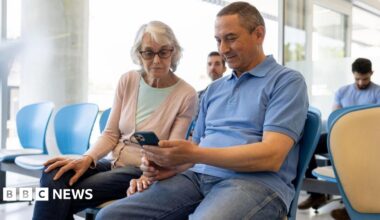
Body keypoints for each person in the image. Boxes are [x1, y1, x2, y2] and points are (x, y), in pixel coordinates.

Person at [97, 2, 308, 219]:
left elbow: (271, 156)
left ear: (259, 34)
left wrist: (195, 154)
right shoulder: (214, 90)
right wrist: (172, 168)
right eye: (218, 40)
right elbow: (196, 150)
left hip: (254, 183)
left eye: (231, 38)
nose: (223, 49)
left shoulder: (286, 82)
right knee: (111, 215)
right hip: (197, 178)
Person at [32, 20, 197, 220]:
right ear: (138, 54)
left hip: (140, 171)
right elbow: (111, 134)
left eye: (164, 52)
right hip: (112, 163)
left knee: (56, 195)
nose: (156, 60)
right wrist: (86, 159)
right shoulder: (128, 80)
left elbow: (171, 153)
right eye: (148, 52)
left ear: (174, 52)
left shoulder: (186, 94)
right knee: (53, 173)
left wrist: (149, 172)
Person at [298, 57, 380, 220]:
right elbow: (336, 119)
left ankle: (351, 206)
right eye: (358, 78)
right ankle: (316, 194)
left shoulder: (378, 92)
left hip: (368, 140)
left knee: (361, 157)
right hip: (341, 138)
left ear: (371, 73)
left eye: (365, 79)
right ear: (353, 75)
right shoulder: (342, 92)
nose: (361, 82)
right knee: (309, 144)